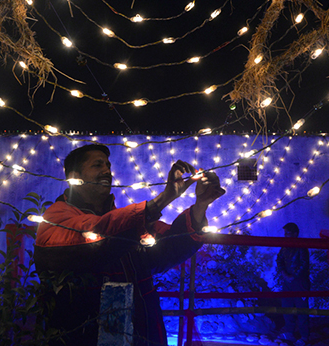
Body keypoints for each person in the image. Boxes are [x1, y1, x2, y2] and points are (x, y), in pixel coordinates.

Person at [34, 143, 224, 346]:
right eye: (97, 165)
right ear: (73, 176)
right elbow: (96, 235)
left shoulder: (124, 221)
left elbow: (167, 247)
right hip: (82, 335)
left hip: (143, 331)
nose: (107, 170)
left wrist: (200, 205)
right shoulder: (56, 217)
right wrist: (165, 197)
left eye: (108, 165)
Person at [275, 222, 310, 346]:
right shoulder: (285, 246)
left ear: (295, 234)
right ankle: (289, 332)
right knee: (287, 306)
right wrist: (285, 274)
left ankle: (304, 336)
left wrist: (293, 276)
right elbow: (279, 260)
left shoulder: (301, 246)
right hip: (288, 281)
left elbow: (304, 264)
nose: (286, 236)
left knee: (302, 309)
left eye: (288, 234)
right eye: (285, 234)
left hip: (300, 282)